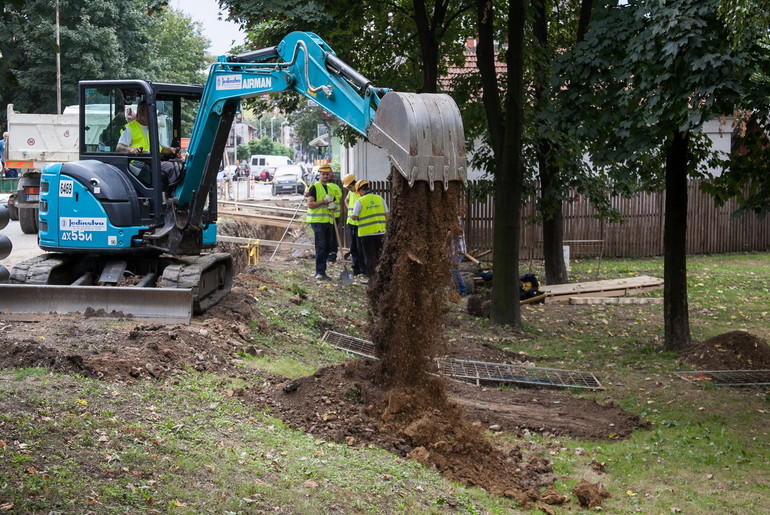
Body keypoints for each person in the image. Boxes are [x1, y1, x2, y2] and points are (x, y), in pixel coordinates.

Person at [116, 101, 181, 189]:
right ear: (141, 112)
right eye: (150, 111)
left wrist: (172, 150)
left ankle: (168, 194)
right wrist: (130, 150)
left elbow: (158, 148)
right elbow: (119, 148)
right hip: (137, 163)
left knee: (178, 165)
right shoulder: (129, 128)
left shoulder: (152, 128)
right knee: (174, 168)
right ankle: (170, 194)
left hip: (151, 161)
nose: (153, 115)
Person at [305, 164, 337, 280]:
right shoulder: (314, 187)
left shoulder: (330, 189)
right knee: (321, 245)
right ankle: (319, 272)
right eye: (323, 174)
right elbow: (310, 204)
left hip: (327, 221)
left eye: (327, 174)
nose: (325, 176)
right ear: (319, 175)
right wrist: (324, 201)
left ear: (329, 175)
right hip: (317, 220)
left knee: (328, 246)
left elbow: (330, 204)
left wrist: (333, 206)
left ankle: (322, 271)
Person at [351, 180, 388, 283]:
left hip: (366, 234)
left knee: (369, 257)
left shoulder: (360, 201)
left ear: (360, 191)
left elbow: (354, 217)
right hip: (381, 232)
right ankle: (382, 279)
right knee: (380, 255)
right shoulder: (380, 198)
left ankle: (372, 280)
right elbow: (387, 214)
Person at [342, 173, 364, 277]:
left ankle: (362, 269)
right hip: (351, 223)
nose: (349, 189)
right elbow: (345, 200)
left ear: (354, 184)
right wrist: (350, 210)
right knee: (353, 247)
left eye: (349, 187)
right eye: (347, 188)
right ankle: (355, 268)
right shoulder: (351, 193)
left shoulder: (361, 192)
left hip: (359, 224)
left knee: (360, 247)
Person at [447, 215, 468, 297]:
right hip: (454, 251)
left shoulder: (456, 218)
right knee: (452, 270)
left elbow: (451, 234)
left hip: (458, 250)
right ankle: (458, 289)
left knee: (454, 270)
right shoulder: (452, 218)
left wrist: (443, 246)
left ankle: (463, 290)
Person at [326, 169, 343, 262]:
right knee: (334, 235)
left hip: (329, 215)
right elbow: (338, 197)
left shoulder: (326, 187)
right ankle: (333, 254)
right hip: (336, 215)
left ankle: (330, 255)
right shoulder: (337, 187)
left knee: (329, 236)